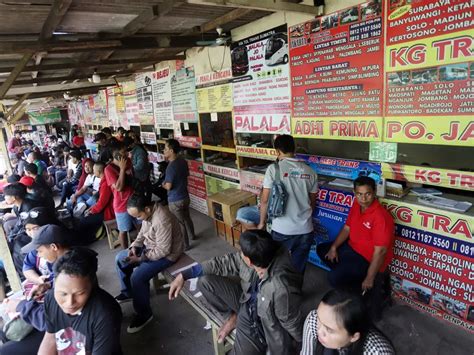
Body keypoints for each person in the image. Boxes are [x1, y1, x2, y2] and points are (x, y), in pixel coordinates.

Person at [169, 229, 303, 355]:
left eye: (242, 253)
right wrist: (185, 275)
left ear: (249, 261)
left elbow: (292, 323)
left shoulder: (280, 287)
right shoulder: (260, 254)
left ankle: (240, 322)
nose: (240, 254)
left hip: (260, 323)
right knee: (205, 282)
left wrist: (303, 346)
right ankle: (233, 317)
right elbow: (222, 263)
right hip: (246, 303)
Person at [317, 176, 394, 320]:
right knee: (322, 249)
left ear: (374, 192)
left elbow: (381, 252)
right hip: (351, 249)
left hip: (367, 259)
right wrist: (334, 247)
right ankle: (353, 283)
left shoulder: (381, 217)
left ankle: (355, 292)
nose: (363, 198)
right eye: (359, 194)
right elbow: (347, 229)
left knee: (333, 277)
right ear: (354, 192)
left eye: (368, 194)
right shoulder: (357, 205)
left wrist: (370, 278)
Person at [115, 194, 184, 333]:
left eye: (138, 216)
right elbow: (142, 233)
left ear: (147, 209)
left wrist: (140, 259)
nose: (137, 218)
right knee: (120, 259)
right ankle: (128, 292)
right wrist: (133, 247)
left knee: (138, 277)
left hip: (168, 255)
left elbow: (163, 250)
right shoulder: (147, 213)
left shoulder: (162, 219)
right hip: (151, 247)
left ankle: (145, 314)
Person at [0, 224, 72, 354]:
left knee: (5, 350)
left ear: (54, 247)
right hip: (58, 321)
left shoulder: (69, 273)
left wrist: (21, 306)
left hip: (67, 331)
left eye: (40, 251)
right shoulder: (66, 261)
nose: (39, 255)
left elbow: (52, 321)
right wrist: (48, 284)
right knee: (7, 333)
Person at [38, 247, 123, 354]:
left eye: (80, 293)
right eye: (63, 294)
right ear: (54, 282)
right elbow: (50, 337)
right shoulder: (50, 298)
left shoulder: (106, 313)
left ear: (91, 285)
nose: (70, 303)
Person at [258, 135, 318, 273]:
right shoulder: (311, 172)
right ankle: (296, 292)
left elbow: (265, 200)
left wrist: (262, 222)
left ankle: (279, 293)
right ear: (294, 148)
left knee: (277, 266)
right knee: (298, 268)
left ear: (277, 151)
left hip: (282, 229)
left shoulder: (273, 169)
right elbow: (312, 202)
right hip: (305, 229)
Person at [301, 289, 394, 354]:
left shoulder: (378, 352)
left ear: (354, 337)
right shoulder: (314, 319)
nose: (319, 331)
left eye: (329, 330)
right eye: (319, 319)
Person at [163, 139, 195, 249]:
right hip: (185, 196)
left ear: (171, 151)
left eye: (166, 149)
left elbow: (168, 186)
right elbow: (186, 175)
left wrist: (163, 184)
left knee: (180, 223)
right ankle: (193, 235)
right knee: (187, 217)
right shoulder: (183, 161)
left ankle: (186, 245)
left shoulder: (171, 167)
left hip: (175, 199)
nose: (164, 151)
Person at [104, 142, 134, 248]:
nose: (126, 154)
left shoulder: (128, 162)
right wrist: (122, 169)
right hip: (121, 205)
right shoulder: (109, 169)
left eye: (126, 151)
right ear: (116, 155)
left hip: (134, 200)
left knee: (141, 225)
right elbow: (119, 188)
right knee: (123, 230)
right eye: (123, 152)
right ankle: (125, 252)